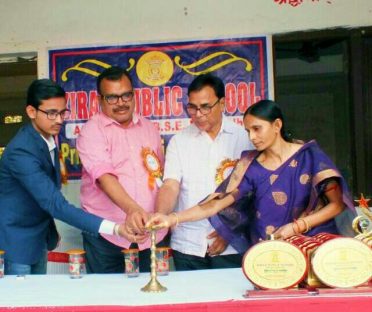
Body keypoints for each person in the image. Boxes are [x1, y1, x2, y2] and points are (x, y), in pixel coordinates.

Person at [147, 100, 356, 254]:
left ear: (277, 125)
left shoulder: (309, 156)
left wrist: (297, 227)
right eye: (248, 131)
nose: (252, 137)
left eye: (257, 129)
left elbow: (337, 205)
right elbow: (214, 204)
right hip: (270, 254)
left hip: (314, 249)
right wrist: (172, 218)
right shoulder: (249, 166)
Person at [0, 79, 135, 275]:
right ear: (31, 112)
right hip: (15, 244)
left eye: (63, 112)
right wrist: (116, 229)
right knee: (23, 304)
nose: (59, 120)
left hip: (38, 240)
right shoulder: (21, 151)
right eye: (52, 113)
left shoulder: (45, 138)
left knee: (38, 303)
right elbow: (55, 204)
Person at [154, 73, 252, 270]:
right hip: (188, 243)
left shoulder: (245, 138)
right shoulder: (179, 141)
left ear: (222, 104)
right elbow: (171, 185)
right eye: (192, 107)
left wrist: (229, 231)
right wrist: (161, 216)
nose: (198, 114)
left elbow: (251, 194)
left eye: (205, 107)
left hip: (232, 245)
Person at [76, 66, 167, 273]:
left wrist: (160, 216)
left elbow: (158, 177)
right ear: (100, 100)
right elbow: (104, 177)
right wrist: (133, 210)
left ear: (134, 95)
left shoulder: (149, 128)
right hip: (107, 235)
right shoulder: (91, 131)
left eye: (126, 95)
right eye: (112, 98)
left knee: (150, 298)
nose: (121, 103)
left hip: (149, 232)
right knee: (109, 300)